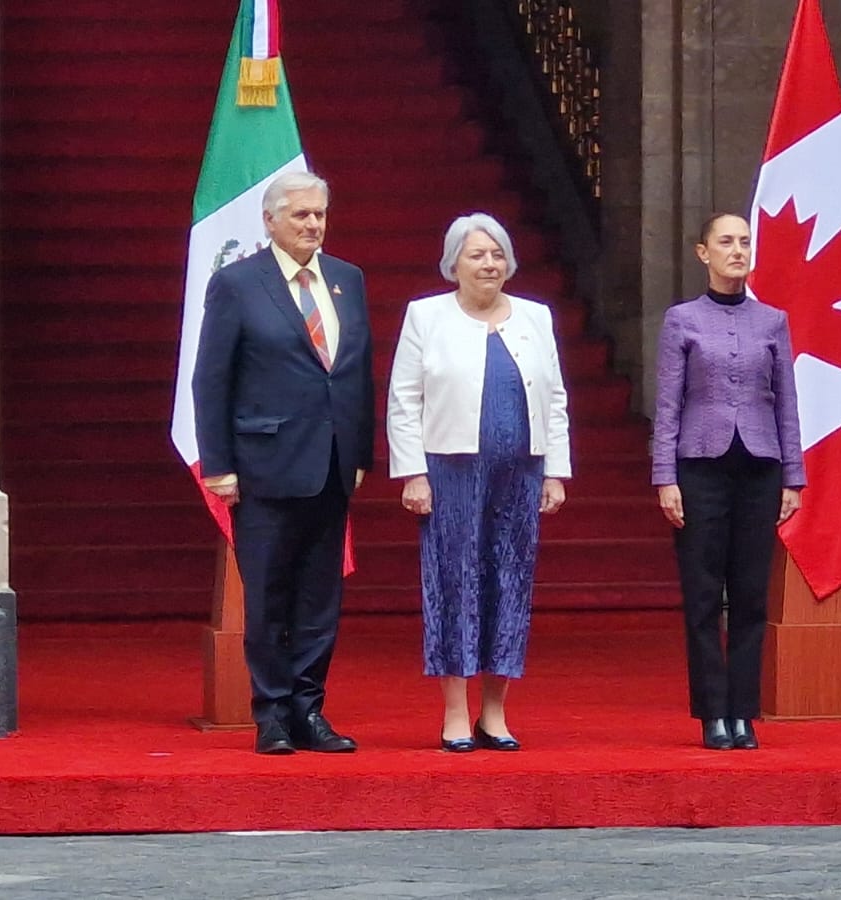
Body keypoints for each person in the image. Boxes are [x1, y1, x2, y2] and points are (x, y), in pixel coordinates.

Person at [192, 171, 374, 755]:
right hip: (264, 466)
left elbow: (357, 372)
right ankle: (270, 714)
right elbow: (211, 378)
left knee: (320, 599)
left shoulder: (347, 279)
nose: (313, 224)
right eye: (301, 215)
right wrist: (218, 464)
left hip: (332, 464)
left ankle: (309, 710)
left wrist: (360, 451)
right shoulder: (237, 283)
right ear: (270, 220)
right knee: (269, 596)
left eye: (319, 214)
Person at [386, 213, 571, 753]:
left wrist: (556, 471)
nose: (489, 264)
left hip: (520, 471)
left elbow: (555, 398)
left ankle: (494, 712)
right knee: (455, 582)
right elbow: (404, 399)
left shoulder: (536, 316)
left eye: (497, 255)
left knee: (509, 582)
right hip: (451, 472)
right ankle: (455, 713)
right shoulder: (425, 315)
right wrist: (413, 473)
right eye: (477, 255)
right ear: (454, 264)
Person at [651, 212, 805, 751]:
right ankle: (711, 712)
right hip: (700, 466)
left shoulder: (772, 321)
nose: (737, 250)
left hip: (760, 465)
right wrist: (664, 476)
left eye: (744, 242)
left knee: (750, 594)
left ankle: (744, 711)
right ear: (704, 253)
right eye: (726, 242)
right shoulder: (682, 320)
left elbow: (787, 402)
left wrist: (794, 476)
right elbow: (668, 403)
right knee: (702, 594)